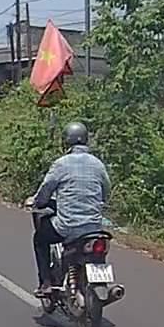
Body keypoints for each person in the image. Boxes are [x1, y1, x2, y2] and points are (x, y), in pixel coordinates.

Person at [26, 121, 111, 296]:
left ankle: (46, 283)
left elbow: (46, 189)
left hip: (67, 227)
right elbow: (106, 191)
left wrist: (37, 202)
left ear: (66, 141)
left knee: (40, 239)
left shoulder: (61, 164)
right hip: (94, 228)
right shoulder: (98, 164)